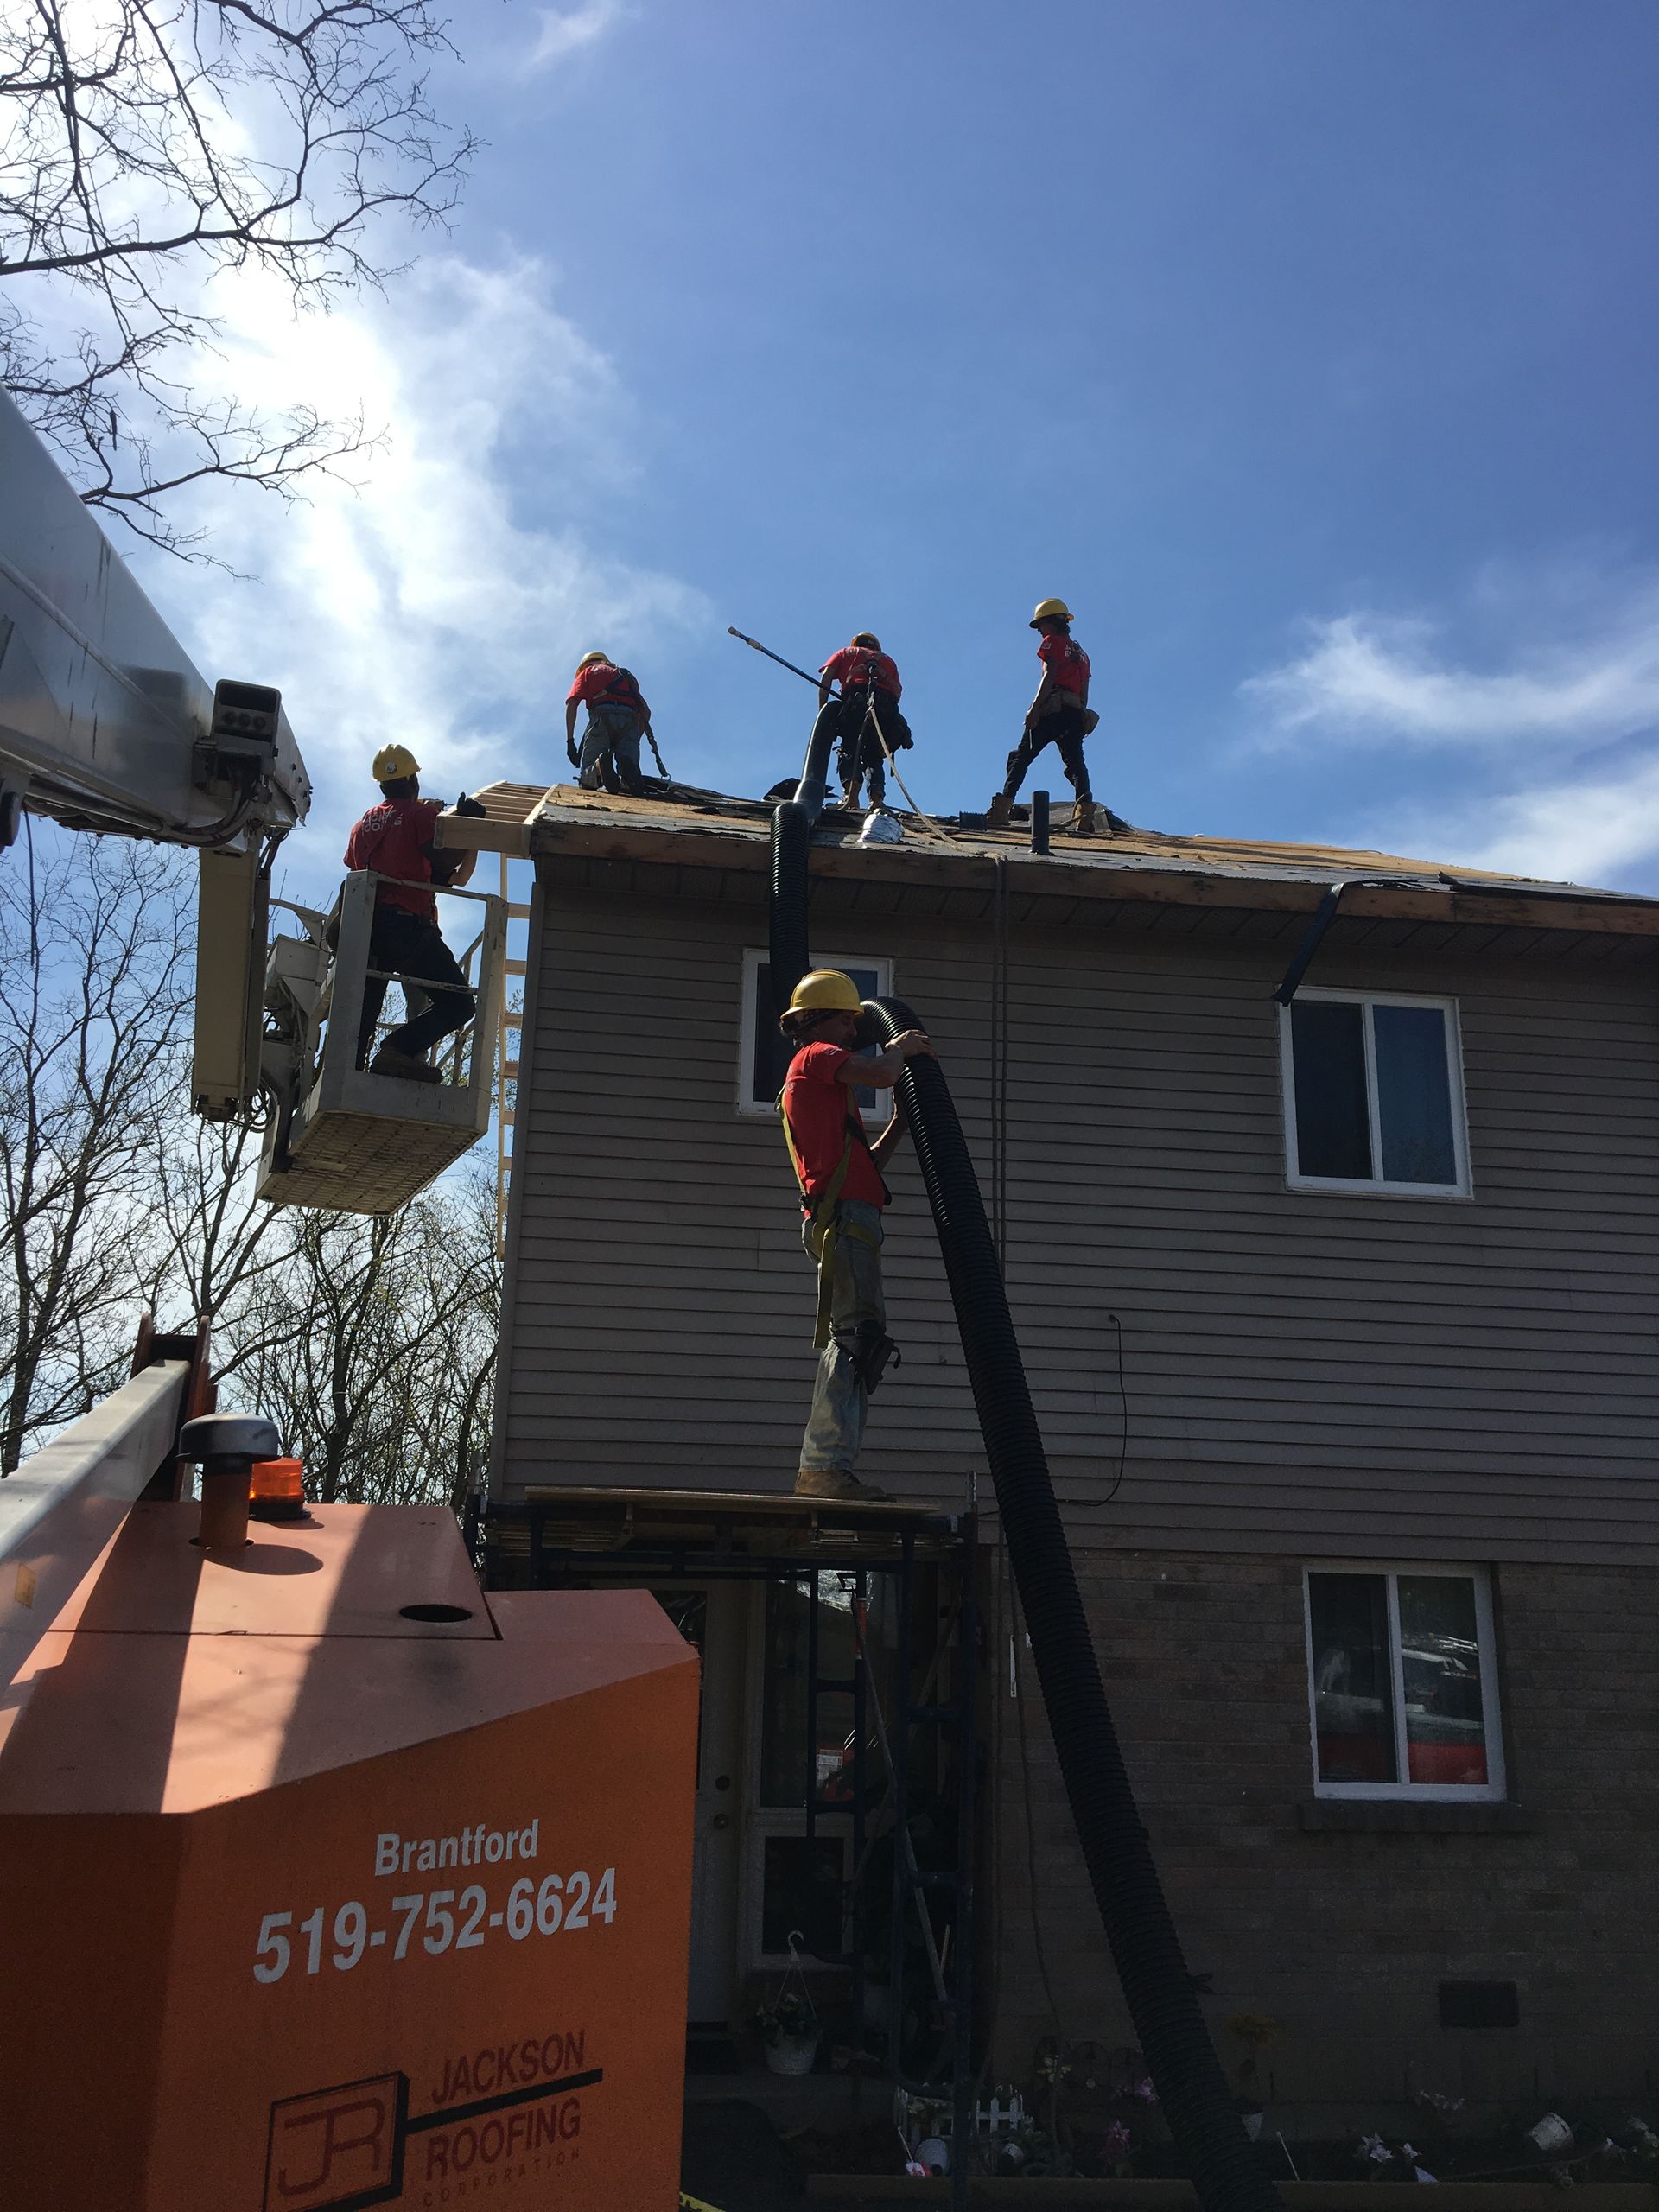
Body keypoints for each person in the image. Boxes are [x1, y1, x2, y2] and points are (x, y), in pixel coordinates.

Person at [777, 969, 936, 1500]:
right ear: (824, 1020)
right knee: (853, 1340)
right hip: (843, 1221)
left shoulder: (827, 1093)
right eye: (849, 1021)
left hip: (850, 1217)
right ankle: (823, 1467)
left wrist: (898, 1128)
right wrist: (902, 1046)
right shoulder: (816, 1056)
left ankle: (828, 1465)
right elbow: (884, 1073)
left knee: (859, 1339)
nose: (854, 1031)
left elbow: (865, 1167)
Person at [341, 745, 483, 1083]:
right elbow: (447, 863)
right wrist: (467, 827)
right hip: (405, 926)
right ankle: (397, 1050)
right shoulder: (420, 816)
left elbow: (356, 865)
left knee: (363, 1015)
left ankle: (346, 1074)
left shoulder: (362, 824)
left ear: (382, 786)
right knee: (459, 1004)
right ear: (414, 779)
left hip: (365, 927)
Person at [988, 598, 1116, 835]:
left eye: (1041, 625)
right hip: (1074, 712)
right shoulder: (1081, 653)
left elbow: (1049, 675)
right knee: (1076, 764)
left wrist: (1034, 709)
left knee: (1021, 757)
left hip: (1053, 710)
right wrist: (1080, 714)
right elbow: (1084, 690)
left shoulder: (1051, 642)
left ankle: (1001, 811)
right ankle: (1084, 818)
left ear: (1053, 622)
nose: (1038, 631)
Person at [817, 632, 913, 813]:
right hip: (886, 711)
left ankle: (851, 798)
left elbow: (826, 679)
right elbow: (897, 693)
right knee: (874, 756)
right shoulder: (889, 661)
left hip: (857, 703)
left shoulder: (845, 653)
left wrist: (823, 713)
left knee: (849, 749)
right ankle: (877, 801)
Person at [565, 652, 652, 796]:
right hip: (630, 720)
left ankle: (598, 768)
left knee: (588, 778)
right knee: (629, 777)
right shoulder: (625, 675)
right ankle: (627, 774)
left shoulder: (588, 672)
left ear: (586, 664)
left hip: (602, 717)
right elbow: (646, 713)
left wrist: (570, 740)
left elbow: (572, 703)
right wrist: (633, 738)